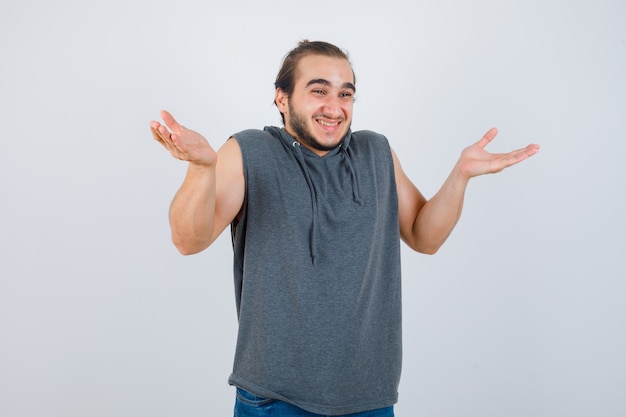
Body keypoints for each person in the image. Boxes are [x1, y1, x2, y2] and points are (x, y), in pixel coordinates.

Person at [150, 40, 539, 417]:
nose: (334, 107)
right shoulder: (250, 151)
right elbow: (188, 240)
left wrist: (461, 175)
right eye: (319, 90)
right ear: (282, 98)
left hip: (369, 396)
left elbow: (425, 236)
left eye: (346, 94)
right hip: (275, 398)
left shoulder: (375, 153)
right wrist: (202, 169)